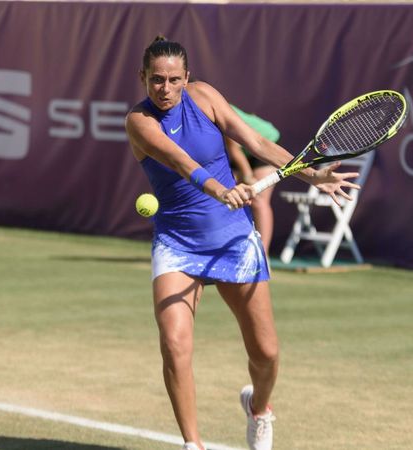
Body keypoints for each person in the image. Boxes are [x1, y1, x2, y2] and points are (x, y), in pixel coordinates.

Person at [125, 36, 360, 450]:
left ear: (186, 79)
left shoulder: (206, 98)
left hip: (233, 238)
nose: (164, 88)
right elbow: (182, 163)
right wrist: (221, 189)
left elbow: (257, 143)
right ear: (143, 77)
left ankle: (259, 408)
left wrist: (313, 175)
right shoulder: (138, 122)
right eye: (156, 80)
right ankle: (192, 444)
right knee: (174, 345)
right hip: (178, 244)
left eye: (173, 80)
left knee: (266, 353)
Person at [224, 106, 280, 255]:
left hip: (266, 142)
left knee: (258, 201)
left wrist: (248, 176)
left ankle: (263, 255)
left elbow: (233, 147)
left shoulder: (212, 108)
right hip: (243, 150)